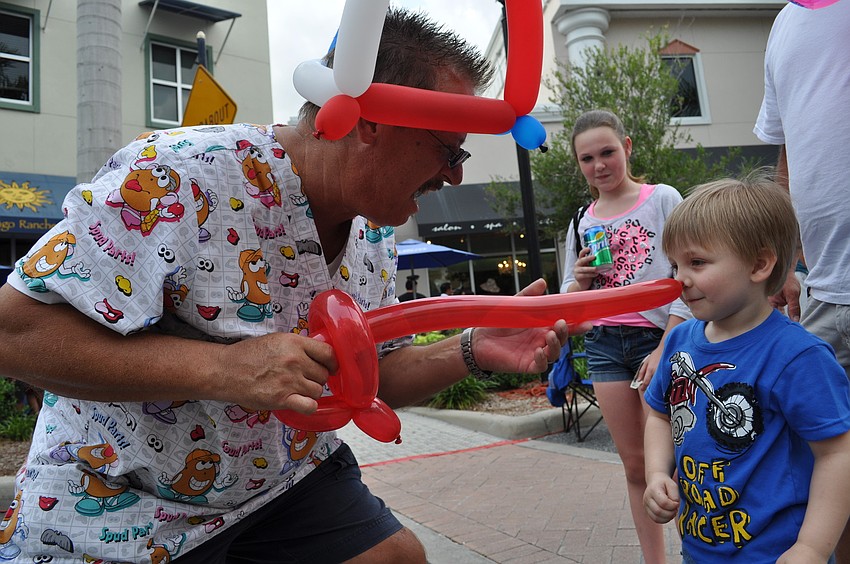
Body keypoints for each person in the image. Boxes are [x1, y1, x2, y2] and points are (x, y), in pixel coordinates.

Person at [0, 9, 582, 563]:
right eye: (448, 148)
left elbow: (366, 376)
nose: (455, 173)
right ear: (372, 120)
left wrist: (470, 348)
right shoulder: (175, 175)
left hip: (283, 482)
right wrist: (221, 371)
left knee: (398, 557)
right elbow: (14, 331)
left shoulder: (373, 232)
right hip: (121, 496)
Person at [643, 175, 850, 563]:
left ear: (759, 264)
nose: (679, 280)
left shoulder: (796, 355)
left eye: (697, 262)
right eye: (675, 264)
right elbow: (658, 414)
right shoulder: (679, 339)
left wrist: (812, 547)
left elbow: (838, 454)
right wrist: (656, 473)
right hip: (699, 548)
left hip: (775, 553)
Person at [560, 109, 689, 563]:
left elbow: (688, 277)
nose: (599, 165)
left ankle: (701, 550)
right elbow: (569, 307)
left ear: (627, 147)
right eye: (587, 158)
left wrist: (665, 347)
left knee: (681, 458)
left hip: (663, 339)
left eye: (607, 152)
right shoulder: (583, 220)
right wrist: (579, 280)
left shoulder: (663, 199)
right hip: (606, 345)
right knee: (635, 464)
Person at [753, 2, 850, 559]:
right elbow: (788, 155)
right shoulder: (784, 24)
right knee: (832, 474)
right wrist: (788, 264)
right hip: (821, 292)